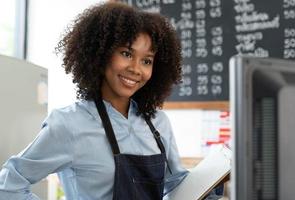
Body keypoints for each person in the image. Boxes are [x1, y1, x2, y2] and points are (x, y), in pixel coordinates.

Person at [0, 2, 223, 199]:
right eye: (126, 54)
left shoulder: (158, 122)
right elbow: (8, 186)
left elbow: (175, 184)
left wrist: (214, 183)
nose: (136, 69)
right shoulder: (68, 124)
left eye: (146, 61)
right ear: (101, 53)